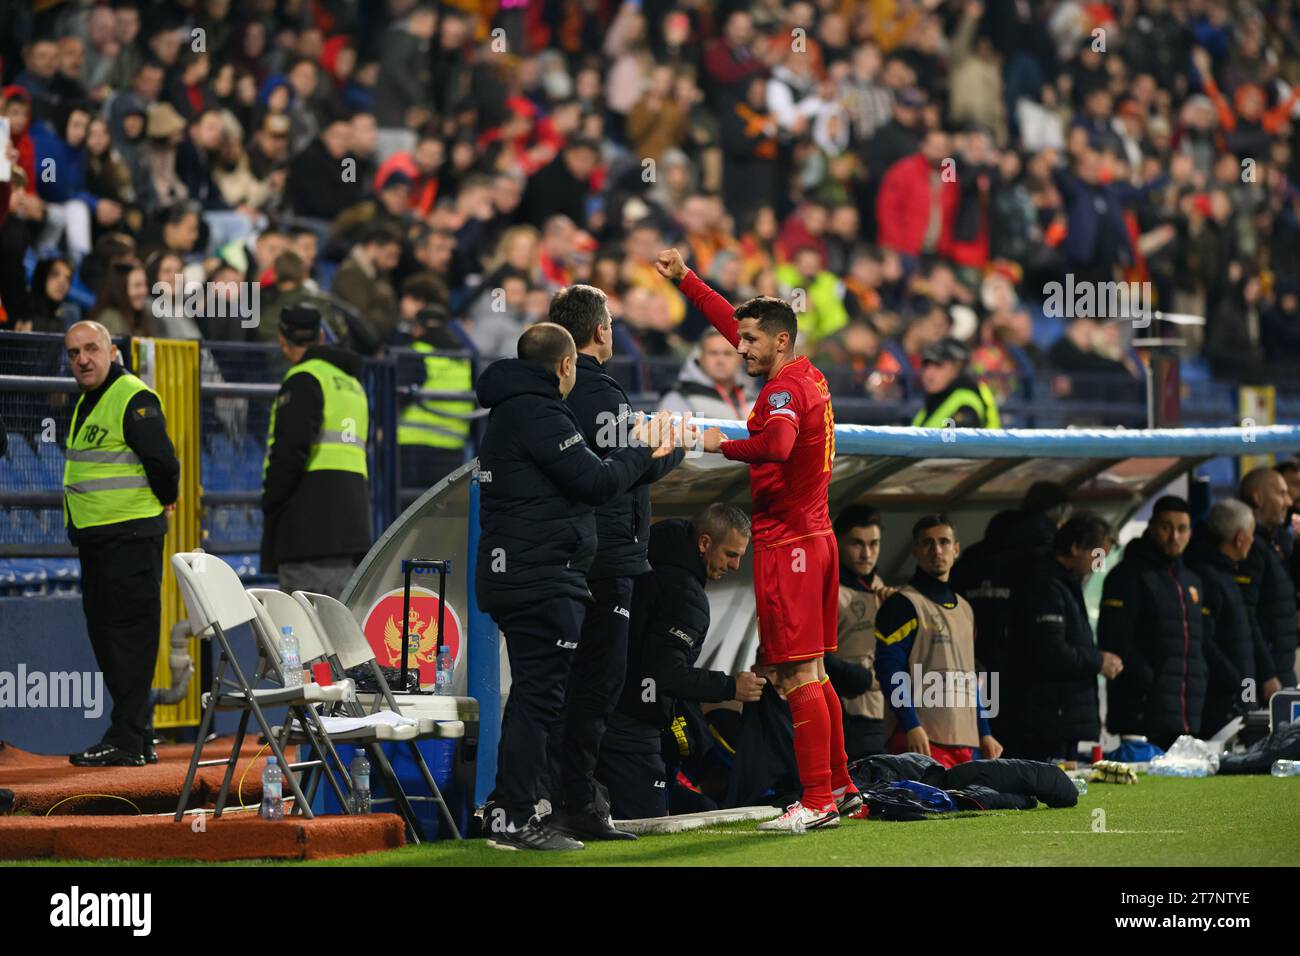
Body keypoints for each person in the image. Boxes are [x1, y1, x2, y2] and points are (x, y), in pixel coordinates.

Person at [657, 245, 861, 832]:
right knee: (816, 674)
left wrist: (721, 444)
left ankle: (817, 799)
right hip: (817, 539)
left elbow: (773, 445)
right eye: (736, 339)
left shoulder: (776, 394)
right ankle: (842, 786)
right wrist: (688, 281)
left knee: (795, 676)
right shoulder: (806, 373)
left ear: (777, 341)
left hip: (787, 545)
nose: (737, 346)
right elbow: (734, 321)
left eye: (749, 341)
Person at [474, 322, 676, 851]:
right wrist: (647, 449)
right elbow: (597, 481)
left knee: (533, 698)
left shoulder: (509, 410)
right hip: (540, 577)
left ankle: (514, 810)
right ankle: (518, 818)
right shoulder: (538, 412)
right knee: (541, 701)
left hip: (521, 574)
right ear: (566, 366)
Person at [542, 283, 687, 840]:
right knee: (597, 684)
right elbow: (629, 467)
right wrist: (672, 444)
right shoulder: (599, 393)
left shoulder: (551, 391)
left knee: (564, 683)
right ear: (600, 331)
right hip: (605, 560)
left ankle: (566, 796)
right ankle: (576, 799)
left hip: (571, 556)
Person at [598, 504, 763, 819]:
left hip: (599, 713)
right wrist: (730, 686)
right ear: (704, 543)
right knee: (649, 824)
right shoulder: (686, 597)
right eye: (731, 554)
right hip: (632, 728)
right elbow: (664, 672)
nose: (736, 565)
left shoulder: (647, 557)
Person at [63, 320, 178, 767]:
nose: (82, 359)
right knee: (111, 637)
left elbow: (163, 462)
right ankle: (132, 735)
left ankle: (129, 738)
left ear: (111, 351)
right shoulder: (93, 400)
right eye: (73, 353)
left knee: (128, 639)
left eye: (91, 348)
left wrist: (164, 500)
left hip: (128, 537)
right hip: (102, 540)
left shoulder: (131, 396)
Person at [260, 304, 372, 598]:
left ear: (282, 341)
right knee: (339, 625)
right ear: (321, 335)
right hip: (352, 524)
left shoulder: (303, 378)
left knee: (306, 629)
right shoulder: (352, 383)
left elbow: (290, 451)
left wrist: (271, 501)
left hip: (308, 528)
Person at [874, 514, 1003, 768]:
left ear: (956, 549)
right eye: (927, 543)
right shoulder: (902, 605)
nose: (937, 551)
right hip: (920, 738)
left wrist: (985, 730)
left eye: (944, 542)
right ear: (915, 550)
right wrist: (911, 724)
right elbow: (889, 671)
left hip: (966, 740)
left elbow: (970, 676)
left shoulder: (965, 609)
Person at [1002, 512, 1122, 761]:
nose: (1100, 563)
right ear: (1076, 547)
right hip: (1046, 717)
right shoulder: (1046, 585)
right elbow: (1051, 652)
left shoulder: (1065, 583)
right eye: (1098, 554)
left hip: (1060, 716)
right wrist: (1098, 661)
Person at [1097, 496, 1207, 750]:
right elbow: (1114, 639)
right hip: (1141, 709)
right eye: (1166, 527)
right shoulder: (1127, 575)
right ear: (1151, 527)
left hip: (1185, 711)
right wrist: (1150, 680)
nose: (1174, 537)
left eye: (1182, 529)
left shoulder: (1191, 580)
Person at [1185, 500, 1270, 737]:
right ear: (1240, 537)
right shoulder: (1210, 577)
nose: (1253, 542)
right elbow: (1204, 638)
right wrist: (1236, 681)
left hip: (1240, 688)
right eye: (1252, 535)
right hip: (1223, 698)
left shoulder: (1224, 574)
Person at [829, 505, 892, 760]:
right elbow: (811, 655)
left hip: (882, 712)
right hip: (847, 712)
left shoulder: (880, 588)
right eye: (857, 544)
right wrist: (859, 678)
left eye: (874, 544)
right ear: (838, 541)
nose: (867, 554)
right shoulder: (828, 591)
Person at [396, 303, 474, 491]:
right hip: (452, 449)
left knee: (409, 511)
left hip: (412, 446)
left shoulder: (415, 352)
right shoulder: (463, 359)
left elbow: (398, 396)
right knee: (441, 513)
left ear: (418, 328)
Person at [1237, 467, 1297, 691]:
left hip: (1279, 670)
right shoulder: (1251, 550)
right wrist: (1266, 674)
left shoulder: (1273, 546)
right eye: (1281, 494)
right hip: (1266, 679)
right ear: (1258, 498)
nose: (1289, 501)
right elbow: (1245, 616)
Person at [659, 327, 753, 421]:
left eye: (727, 353)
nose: (720, 360)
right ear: (700, 358)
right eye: (713, 353)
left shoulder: (754, 400)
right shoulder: (678, 399)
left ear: (740, 360)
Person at [911, 336, 1001, 428]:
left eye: (938, 366)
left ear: (956, 369)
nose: (929, 374)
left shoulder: (966, 402)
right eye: (926, 366)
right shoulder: (935, 399)